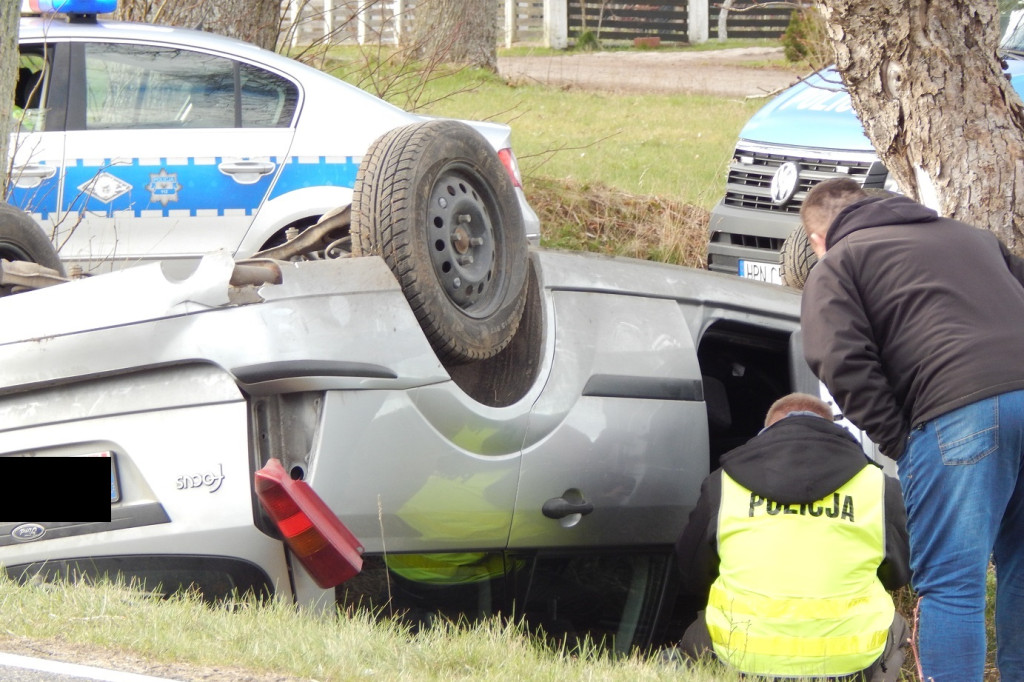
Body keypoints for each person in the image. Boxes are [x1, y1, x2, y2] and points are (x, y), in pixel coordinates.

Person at [799, 177, 1024, 681]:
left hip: (958, 409)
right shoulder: (972, 238)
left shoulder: (840, 261)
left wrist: (901, 440)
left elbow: (838, 360)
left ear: (817, 240)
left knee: (952, 584)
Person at [674, 392, 910, 680]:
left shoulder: (723, 483)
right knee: (897, 628)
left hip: (740, 657)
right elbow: (899, 574)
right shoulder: (879, 487)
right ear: (833, 430)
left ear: (768, 432)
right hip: (850, 662)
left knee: (699, 626)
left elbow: (691, 572)